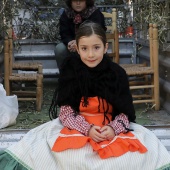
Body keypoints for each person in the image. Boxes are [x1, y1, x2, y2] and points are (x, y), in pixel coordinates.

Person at [0, 22, 170, 170]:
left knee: (140, 155)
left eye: (96, 47)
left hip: (109, 128)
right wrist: (87, 129)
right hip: (78, 127)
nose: (90, 54)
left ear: (105, 47)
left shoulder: (117, 74)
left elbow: (125, 113)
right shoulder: (71, 71)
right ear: (77, 49)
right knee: (61, 156)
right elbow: (66, 112)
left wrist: (113, 128)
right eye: (84, 48)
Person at [55, 0, 106, 69]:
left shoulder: (94, 13)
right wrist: (69, 42)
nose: (78, 3)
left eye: (81, 0)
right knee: (60, 49)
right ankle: (65, 76)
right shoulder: (66, 13)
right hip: (72, 45)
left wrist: (79, 42)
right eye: (75, 1)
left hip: (90, 44)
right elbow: (64, 32)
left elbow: (99, 32)